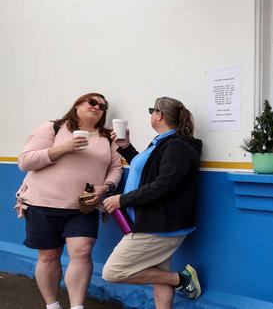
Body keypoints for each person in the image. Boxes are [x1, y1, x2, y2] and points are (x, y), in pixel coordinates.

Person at [15, 93, 123, 309]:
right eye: (92, 102)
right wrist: (65, 147)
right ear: (77, 105)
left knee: (82, 251)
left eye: (102, 106)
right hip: (43, 204)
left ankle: (77, 306)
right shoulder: (52, 128)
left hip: (83, 206)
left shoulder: (107, 137)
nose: (97, 107)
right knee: (48, 256)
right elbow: (25, 161)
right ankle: (52, 305)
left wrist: (107, 187)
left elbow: (115, 167)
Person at [101, 96, 202, 308]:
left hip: (159, 226)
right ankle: (175, 281)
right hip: (152, 222)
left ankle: (181, 279)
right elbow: (147, 172)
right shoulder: (163, 143)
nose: (152, 116)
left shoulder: (178, 146)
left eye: (152, 112)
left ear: (160, 115)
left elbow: (164, 184)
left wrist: (122, 200)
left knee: (112, 271)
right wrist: (126, 147)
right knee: (159, 275)